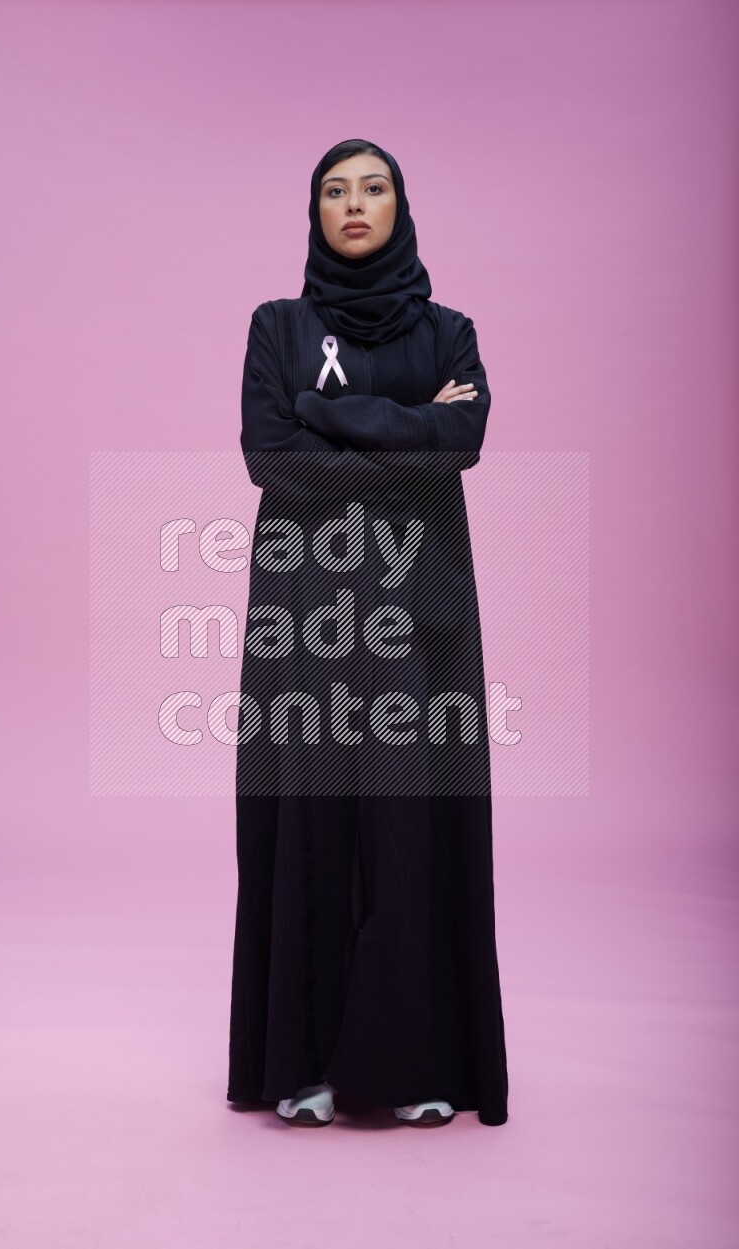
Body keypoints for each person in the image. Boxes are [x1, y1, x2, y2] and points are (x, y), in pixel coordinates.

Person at [226, 139, 508, 1128]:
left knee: (406, 828)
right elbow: (273, 460)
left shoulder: (449, 331)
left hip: (414, 613)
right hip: (303, 607)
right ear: (314, 212)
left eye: (372, 187)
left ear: (400, 204)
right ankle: (299, 1063)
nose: (354, 204)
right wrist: (396, 434)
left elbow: (461, 440)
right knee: (309, 821)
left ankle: (415, 1062)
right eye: (333, 190)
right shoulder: (276, 326)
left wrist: (327, 417)